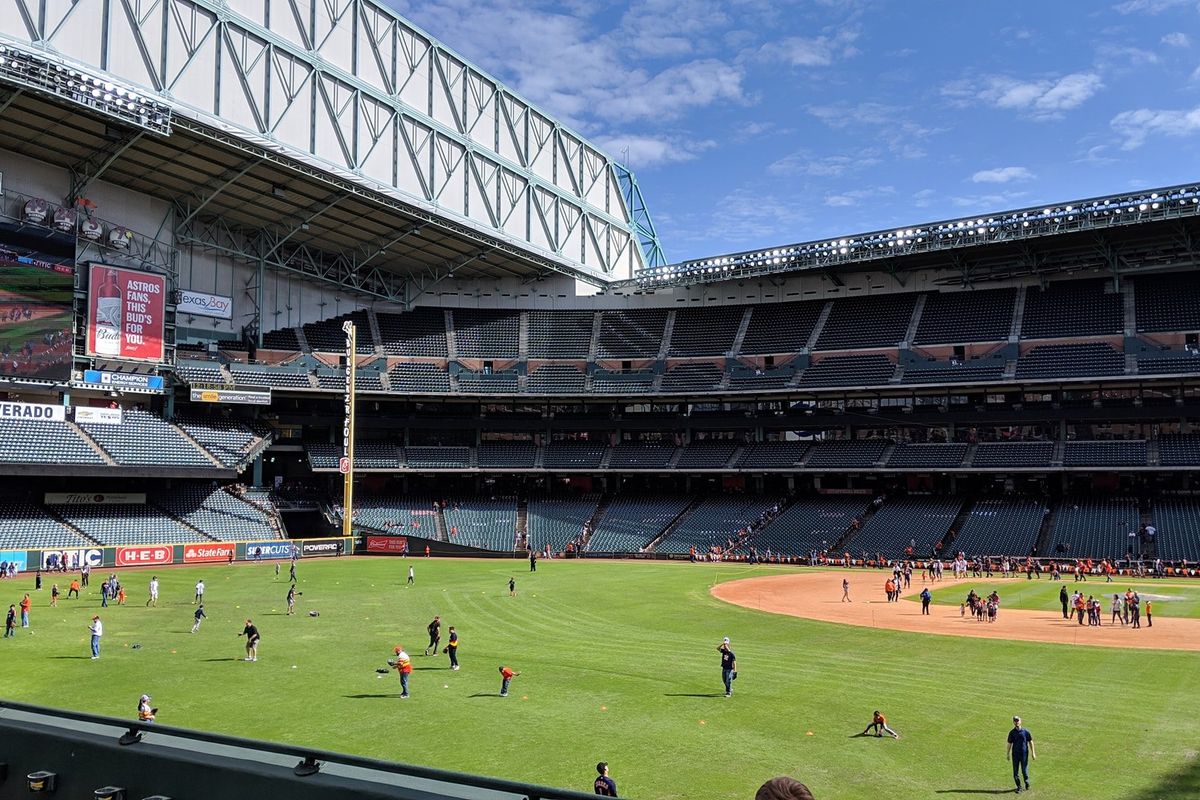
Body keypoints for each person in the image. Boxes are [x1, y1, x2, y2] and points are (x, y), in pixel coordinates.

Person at [1007, 715, 1036, 793]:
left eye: (1017, 720)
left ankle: (1027, 783)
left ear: (1020, 721)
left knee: (1024, 771)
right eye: (1015, 721)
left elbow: (1031, 742)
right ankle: (1019, 787)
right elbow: (1009, 743)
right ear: (1013, 722)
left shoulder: (1026, 732)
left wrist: (1033, 753)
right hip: (1015, 755)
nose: (1016, 722)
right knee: (1015, 773)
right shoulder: (1012, 733)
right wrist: (1008, 754)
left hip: (1024, 754)